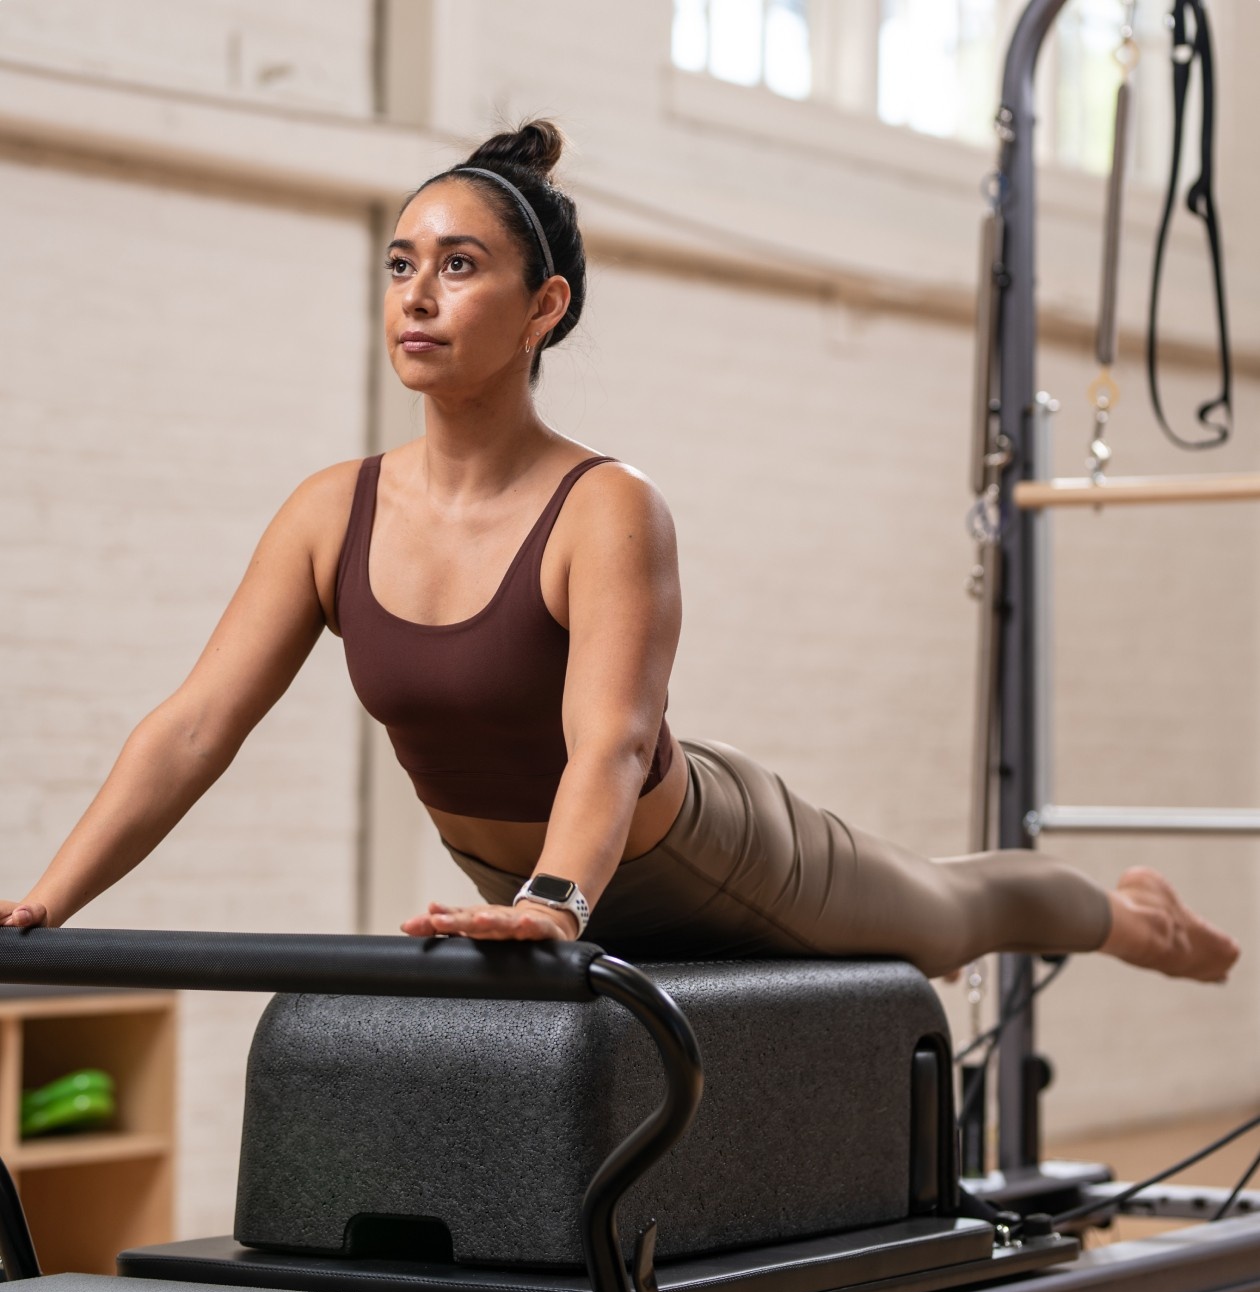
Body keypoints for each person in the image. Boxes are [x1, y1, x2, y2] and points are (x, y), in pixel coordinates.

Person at [0, 121, 1239, 985]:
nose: (417, 295)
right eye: (401, 265)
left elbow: (614, 742)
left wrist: (553, 900)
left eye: (461, 266)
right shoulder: (333, 510)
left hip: (705, 854)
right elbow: (195, 725)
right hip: (529, 879)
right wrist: (49, 900)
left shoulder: (604, 506)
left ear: (548, 307)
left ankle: (1127, 917)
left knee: (950, 919)